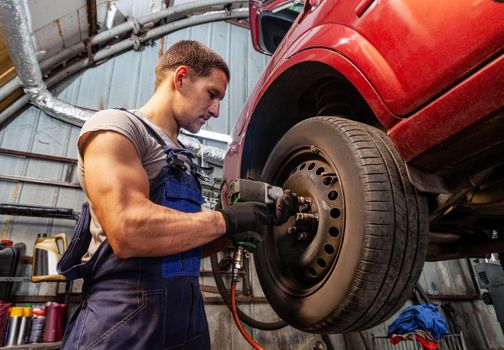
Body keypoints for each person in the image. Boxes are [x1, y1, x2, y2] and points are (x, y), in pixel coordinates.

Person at [58, 40, 293, 350]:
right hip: (124, 323)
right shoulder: (117, 128)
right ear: (181, 78)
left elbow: (180, 245)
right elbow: (129, 229)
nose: (216, 110)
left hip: (187, 323)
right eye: (212, 94)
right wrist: (224, 220)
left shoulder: (182, 157)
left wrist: (237, 231)